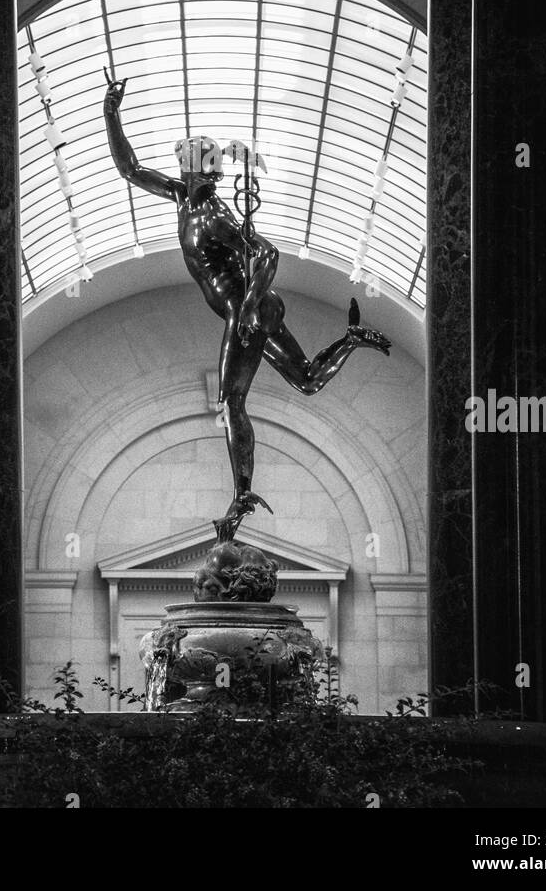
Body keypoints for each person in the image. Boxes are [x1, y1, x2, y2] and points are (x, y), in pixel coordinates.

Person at [103, 69, 391, 540]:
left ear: (199, 167)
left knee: (231, 400)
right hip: (253, 309)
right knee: (307, 381)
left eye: (188, 161)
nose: (181, 167)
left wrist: (247, 309)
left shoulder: (217, 215)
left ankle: (241, 495)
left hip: (248, 309)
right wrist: (111, 114)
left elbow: (268, 254)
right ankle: (351, 340)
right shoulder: (183, 200)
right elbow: (130, 169)